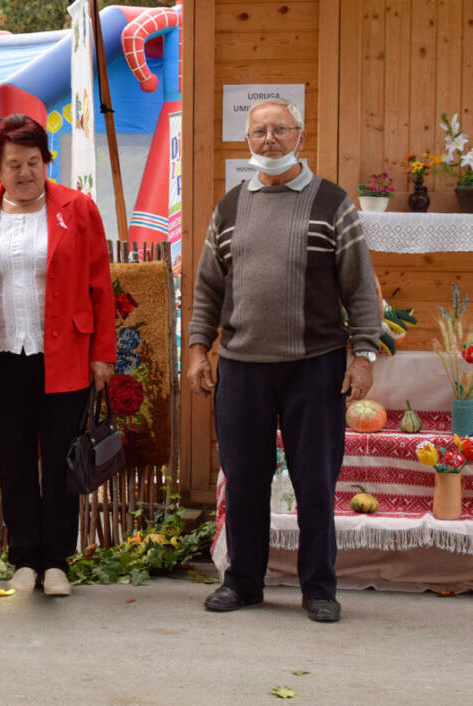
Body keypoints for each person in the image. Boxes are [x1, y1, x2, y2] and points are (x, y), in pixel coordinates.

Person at [188, 98, 379, 623]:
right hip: (243, 367)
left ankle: (319, 588)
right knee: (243, 479)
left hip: (313, 365)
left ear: (300, 135)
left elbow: (362, 288)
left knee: (314, 482)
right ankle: (243, 582)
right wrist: (199, 349)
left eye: (279, 130)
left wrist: (362, 355)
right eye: (258, 132)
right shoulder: (228, 208)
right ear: (247, 141)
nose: (269, 140)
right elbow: (207, 288)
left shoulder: (333, 203)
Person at [0, 114, 115, 597]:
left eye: (33, 162)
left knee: (62, 461)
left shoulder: (77, 210)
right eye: (13, 164)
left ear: (47, 162)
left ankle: (57, 561)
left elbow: (100, 286)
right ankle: (23, 558)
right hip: (2, 355)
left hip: (64, 356)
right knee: (14, 459)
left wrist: (102, 354)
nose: (24, 173)